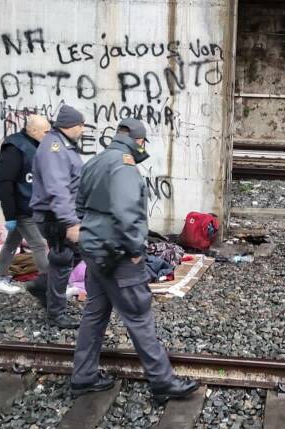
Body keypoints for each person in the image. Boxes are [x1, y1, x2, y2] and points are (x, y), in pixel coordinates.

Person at [69, 118, 199, 402]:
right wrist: (136, 249)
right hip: (119, 254)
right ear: (139, 141)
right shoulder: (125, 166)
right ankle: (163, 382)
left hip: (94, 250)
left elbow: (78, 205)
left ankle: (83, 375)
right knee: (139, 316)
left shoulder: (95, 161)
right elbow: (127, 211)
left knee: (95, 314)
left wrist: (90, 236)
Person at [29, 104, 86, 329]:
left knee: (75, 254)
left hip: (60, 215)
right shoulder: (54, 148)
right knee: (63, 260)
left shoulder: (63, 146)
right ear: (70, 125)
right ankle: (56, 314)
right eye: (81, 125)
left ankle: (43, 285)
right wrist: (70, 222)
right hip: (55, 216)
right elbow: (57, 188)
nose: (83, 130)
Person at [0, 114, 52, 295]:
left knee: (11, 243)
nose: (49, 135)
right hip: (20, 206)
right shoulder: (15, 147)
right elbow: (6, 182)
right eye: (46, 132)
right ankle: (52, 286)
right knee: (38, 245)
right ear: (33, 131)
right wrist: (10, 215)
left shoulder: (36, 144)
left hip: (30, 203)